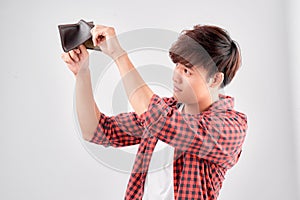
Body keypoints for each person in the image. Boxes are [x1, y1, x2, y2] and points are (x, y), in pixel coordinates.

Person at [61, 24, 248, 200]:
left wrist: (119, 54)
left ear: (214, 80)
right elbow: (96, 131)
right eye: (177, 66)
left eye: (187, 71)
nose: (176, 76)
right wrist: (82, 73)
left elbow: (157, 118)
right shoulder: (168, 110)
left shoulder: (230, 127)